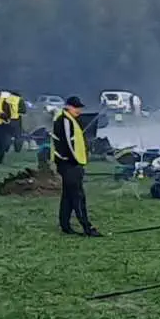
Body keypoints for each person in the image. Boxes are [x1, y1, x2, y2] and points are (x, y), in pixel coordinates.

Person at [51, 97, 100, 237]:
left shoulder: (71, 119)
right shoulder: (64, 120)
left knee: (67, 196)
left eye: (79, 107)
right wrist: (75, 161)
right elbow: (67, 143)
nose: (79, 110)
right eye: (76, 107)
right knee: (78, 196)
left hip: (71, 163)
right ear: (68, 107)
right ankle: (87, 227)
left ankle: (65, 225)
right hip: (69, 164)